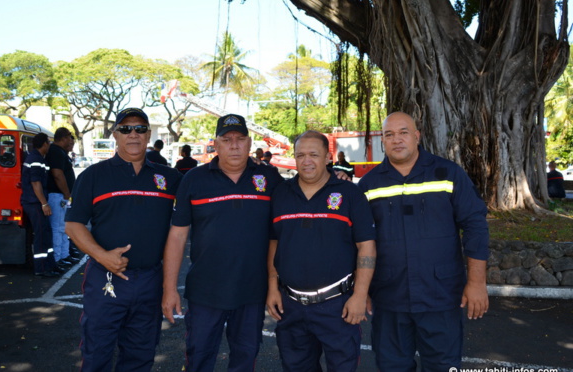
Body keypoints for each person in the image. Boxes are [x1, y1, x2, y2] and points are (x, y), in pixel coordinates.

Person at [358, 112, 489, 371]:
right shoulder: (368, 185)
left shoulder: (448, 174)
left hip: (440, 295)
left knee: (442, 365)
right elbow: (360, 241)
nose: (397, 140)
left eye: (403, 132)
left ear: (417, 136)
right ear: (382, 141)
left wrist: (476, 283)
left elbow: (475, 226)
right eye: (389, 134)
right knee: (392, 366)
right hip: (389, 297)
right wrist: (362, 290)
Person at [162, 113, 285, 371]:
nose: (234, 145)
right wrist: (169, 288)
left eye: (240, 139)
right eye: (226, 139)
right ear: (216, 145)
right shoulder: (194, 180)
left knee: (245, 358)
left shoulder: (270, 178)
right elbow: (177, 235)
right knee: (199, 358)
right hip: (206, 290)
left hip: (252, 290)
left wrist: (336, 181)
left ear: (250, 143)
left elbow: (305, 194)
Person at [65, 107, 182, 372]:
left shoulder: (169, 178)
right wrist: (101, 255)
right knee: (97, 352)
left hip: (151, 279)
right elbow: (73, 225)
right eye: (126, 129)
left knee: (141, 354)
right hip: (105, 278)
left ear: (148, 135)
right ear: (115, 134)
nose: (133, 134)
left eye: (140, 129)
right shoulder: (93, 176)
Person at [266, 130, 376, 371]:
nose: (307, 161)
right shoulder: (281, 194)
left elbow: (366, 246)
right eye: (300, 155)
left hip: (337, 307)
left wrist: (359, 295)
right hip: (291, 306)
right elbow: (274, 242)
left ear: (328, 156)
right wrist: (272, 288)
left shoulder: (350, 194)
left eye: (314, 154)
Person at [21, 133, 60, 277]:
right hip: (35, 202)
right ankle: (42, 268)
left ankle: (50, 265)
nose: (49, 145)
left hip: (36, 202)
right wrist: (44, 204)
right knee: (42, 235)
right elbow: (35, 183)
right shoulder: (35, 159)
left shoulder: (37, 158)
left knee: (46, 233)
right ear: (44, 144)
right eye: (48, 142)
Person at [45, 127, 78, 269]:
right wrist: (66, 194)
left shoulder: (60, 152)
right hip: (57, 195)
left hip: (61, 196)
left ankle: (64, 256)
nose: (71, 140)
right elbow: (57, 174)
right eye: (70, 137)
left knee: (63, 228)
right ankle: (57, 258)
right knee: (58, 228)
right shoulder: (56, 152)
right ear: (64, 137)